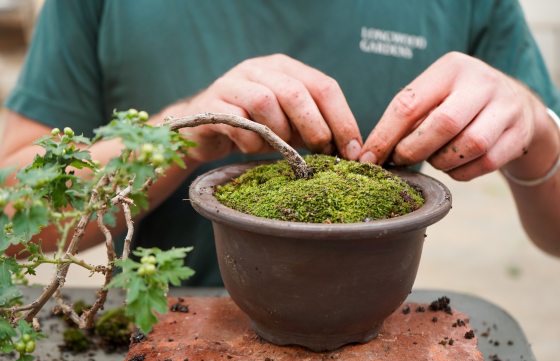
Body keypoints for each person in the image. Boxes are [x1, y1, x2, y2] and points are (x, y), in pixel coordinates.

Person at [1, 0, 559, 286]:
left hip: (374, 335)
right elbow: (11, 224)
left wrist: (537, 130)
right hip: (167, 335)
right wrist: (179, 135)